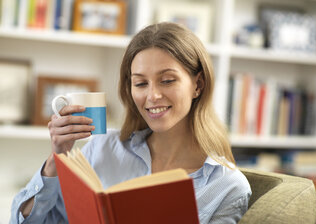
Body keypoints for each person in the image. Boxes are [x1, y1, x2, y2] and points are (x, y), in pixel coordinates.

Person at [10, 22, 251, 224]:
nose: (152, 96)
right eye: (141, 83)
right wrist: (57, 161)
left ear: (197, 85)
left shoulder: (227, 186)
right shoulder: (102, 148)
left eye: (167, 80)